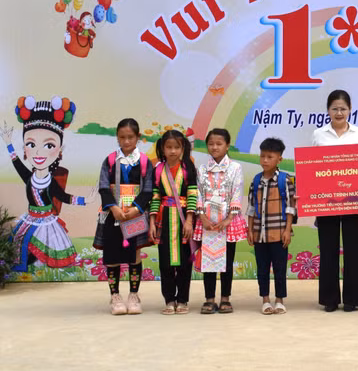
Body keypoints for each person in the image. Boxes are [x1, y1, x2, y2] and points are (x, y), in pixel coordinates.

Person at [2, 96, 94, 273]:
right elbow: (16, 163)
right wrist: (8, 144)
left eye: (49, 146)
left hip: (46, 221)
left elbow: (63, 197)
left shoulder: (51, 182)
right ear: (25, 150)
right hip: (29, 218)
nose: (38, 152)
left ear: (59, 151)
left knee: (49, 247)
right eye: (31, 144)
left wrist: (85, 200)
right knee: (21, 242)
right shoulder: (29, 177)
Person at [312, 90, 358, 312]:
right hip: (326, 201)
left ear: (350, 109)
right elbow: (313, 168)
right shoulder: (319, 135)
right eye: (334, 108)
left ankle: (352, 299)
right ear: (328, 110)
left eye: (343, 108)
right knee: (328, 249)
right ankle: (329, 299)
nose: (339, 112)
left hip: (354, 200)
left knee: (353, 250)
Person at [94, 118, 154, 315]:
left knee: (134, 254)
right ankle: (115, 296)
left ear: (138, 138)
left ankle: (134, 296)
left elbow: (148, 190)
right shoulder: (110, 161)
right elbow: (103, 187)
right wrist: (114, 208)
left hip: (135, 215)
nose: (126, 141)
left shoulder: (144, 162)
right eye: (122, 137)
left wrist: (136, 209)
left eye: (130, 137)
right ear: (117, 138)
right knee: (112, 255)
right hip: (113, 215)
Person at [193, 128, 247, 314]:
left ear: (227, 145)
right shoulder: (201, 168)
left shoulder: (235, 168)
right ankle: (209, 299)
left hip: (227, 221)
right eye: (211, 144)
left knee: (227, 261)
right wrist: (202, 216)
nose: (214, 147)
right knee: (208, 261)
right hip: (206, 221)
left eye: (219, 144)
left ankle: (225, 298)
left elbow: (237, 192)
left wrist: (229, 218)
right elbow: (198, 193)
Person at [148, 130, 198, 315]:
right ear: (162, 148)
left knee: (185, 263)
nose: (173, 151)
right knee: (165, 263)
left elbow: (193, 194)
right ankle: (169, 300)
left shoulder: (188, 169)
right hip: (164, 219)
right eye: (169, 147)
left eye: (177, 147)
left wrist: (190, 221)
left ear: (183, 147)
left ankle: (183, 299)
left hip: (184, 219)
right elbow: (155, 197)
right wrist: (152, 222)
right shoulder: (158, 170)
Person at [247, 137, 296, 315]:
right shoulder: (256, 180)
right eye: (262, 156)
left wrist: (287, 230)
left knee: (280, 268)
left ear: (279, 159)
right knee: (262, 268)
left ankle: (280, 300)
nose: (265, 160)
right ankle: (265, 300)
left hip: (278, 233)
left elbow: (291, 207)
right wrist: (250, 229)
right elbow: (251, 207)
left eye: (269, 157)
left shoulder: (285, 180)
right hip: (260, 233)